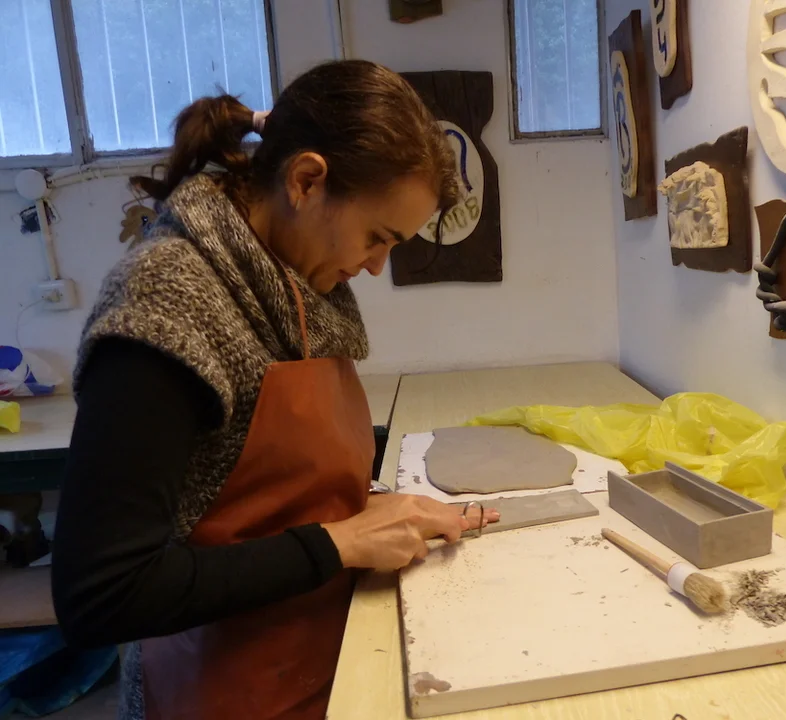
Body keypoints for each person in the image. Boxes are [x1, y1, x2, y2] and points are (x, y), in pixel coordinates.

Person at [51, 59, 498, 719]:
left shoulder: (300, 289)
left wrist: (381, 510)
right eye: (377, 237)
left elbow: (267, 493)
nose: (378, 266)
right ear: (306, 180)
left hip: (320, 657)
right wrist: (342, 542)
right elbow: (102, 595)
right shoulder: (168, 302)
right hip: (219, 691)